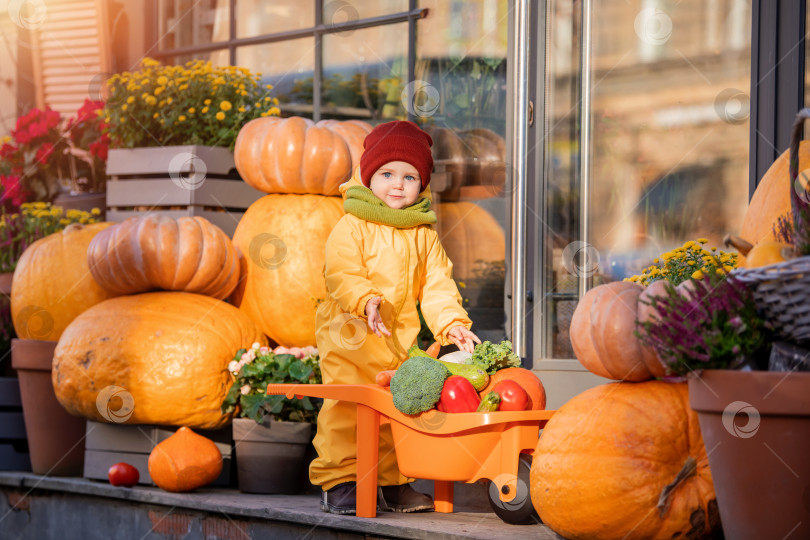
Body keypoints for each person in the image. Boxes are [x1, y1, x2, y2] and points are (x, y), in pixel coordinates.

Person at [310, 120, 481, 515]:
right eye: (387, 174)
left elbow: (437, 285)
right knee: (348, 408)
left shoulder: (424, 234)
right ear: (368, 177)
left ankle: (392, 481)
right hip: (349, 337)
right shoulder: (352, 225)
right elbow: (341, 273)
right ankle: (339, 481)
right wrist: (365, 299)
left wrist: (451, 322)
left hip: (398, 341)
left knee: (395, 409)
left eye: (410, 176)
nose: (398, 184)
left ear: (422, 185)